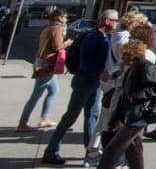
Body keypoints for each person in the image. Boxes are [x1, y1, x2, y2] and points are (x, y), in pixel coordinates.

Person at [43, 9, 118, 166]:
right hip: (85, 81)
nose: (117, 23)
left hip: (95, 83)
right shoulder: (92, 37)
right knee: (71, 116)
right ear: (107, 21)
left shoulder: (104, 37)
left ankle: (90, 151)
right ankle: (51, 150)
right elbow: (85, 63)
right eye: (115, 20)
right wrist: (100, 73)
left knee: (92, 116)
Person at [85, 10, 147, 166]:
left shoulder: (116, 36)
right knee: (111, 122)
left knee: (108, 121)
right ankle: (98, 155)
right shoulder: (125, 39)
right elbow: (123, 63)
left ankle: (97, 152)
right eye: (141, 23)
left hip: (111, 83)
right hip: (116, 84)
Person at [97, 40, 156, 169]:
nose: (123, 58)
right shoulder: (133, 68)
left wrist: (138, 95)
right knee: (134, 148)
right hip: (132, 113)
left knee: (114, 148)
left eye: (126, 55)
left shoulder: (147, 67)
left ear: (134, 55)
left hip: (139, 114)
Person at [18, 8, 72, 131]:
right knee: (36, 94)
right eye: (65, 17)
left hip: (43, 62)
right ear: (59, 17)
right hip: (47, 64)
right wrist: (68, 42)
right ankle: (23, 122)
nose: (66, 19)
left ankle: (44, 118)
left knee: (53, 90)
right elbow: (58, 46)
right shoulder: (57, 29)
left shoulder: (47, 27)